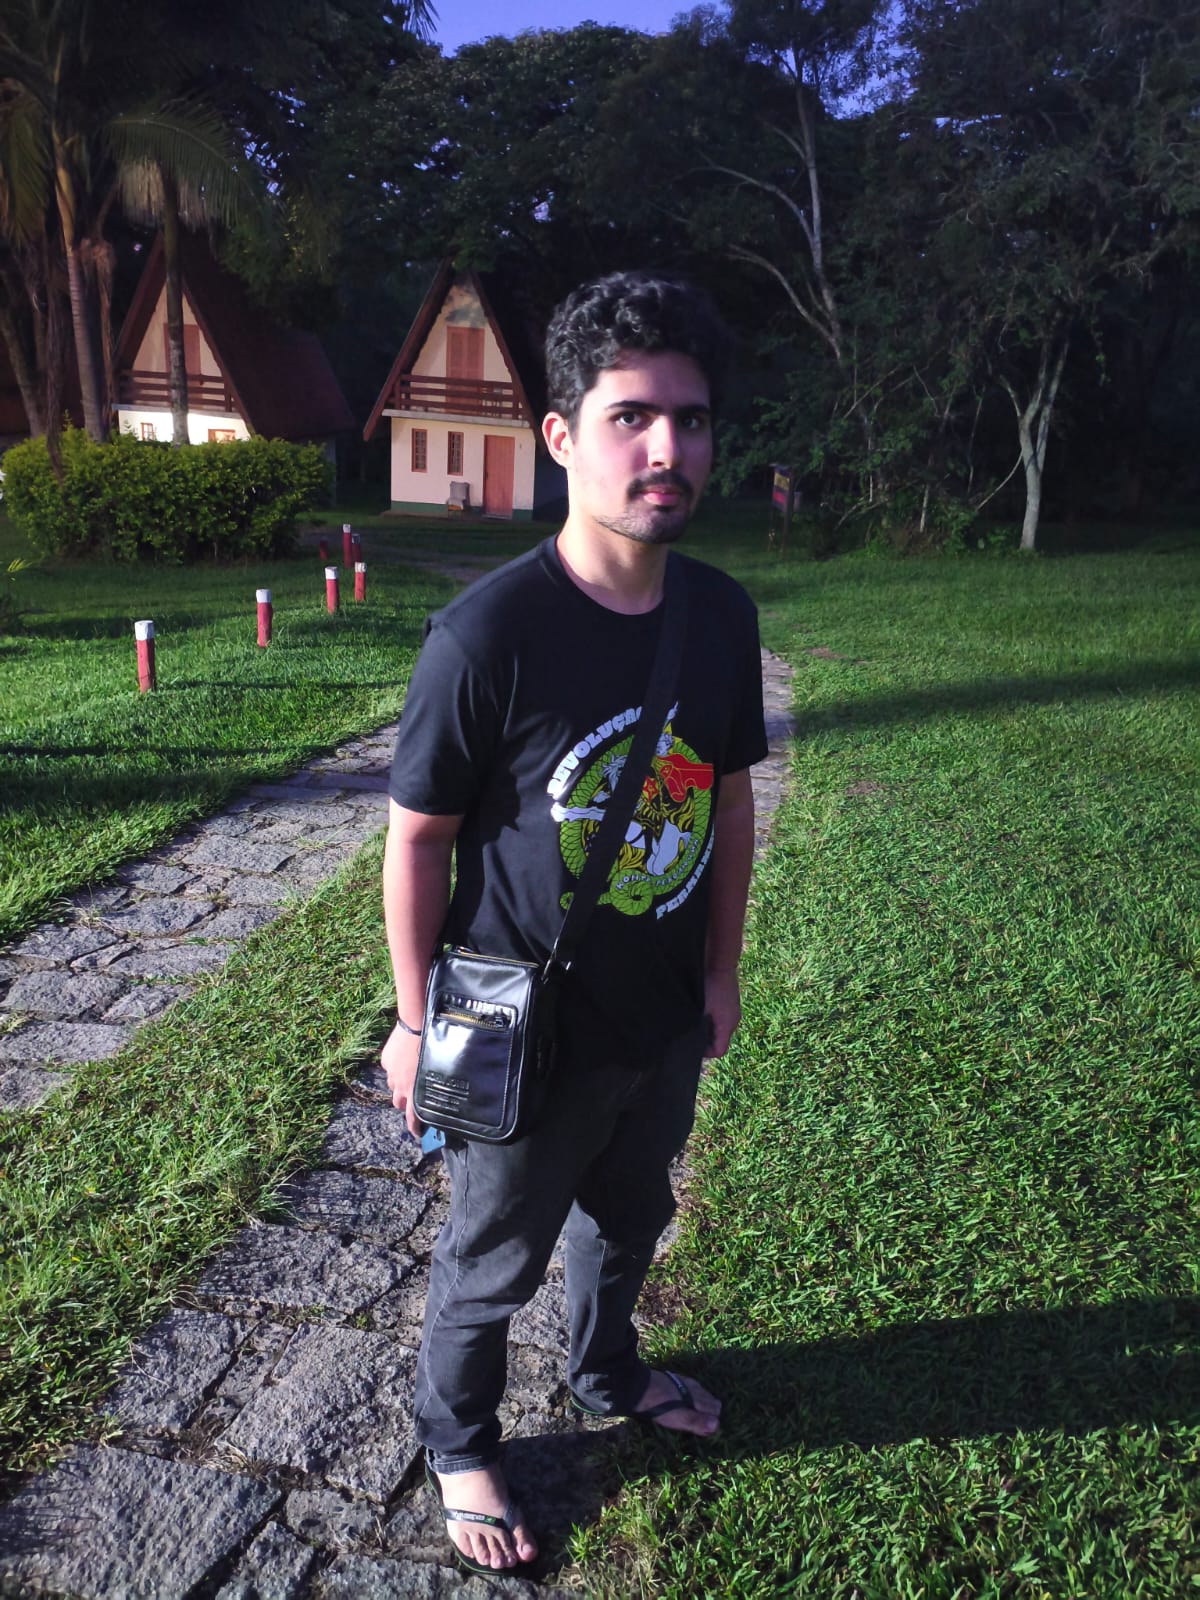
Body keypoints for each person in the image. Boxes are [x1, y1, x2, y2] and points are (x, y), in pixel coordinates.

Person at [381, 270, 767, 1576]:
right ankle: (458, 1442)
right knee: (491, 1258)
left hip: (660, 1016)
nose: (669, 449)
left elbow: (725, 801)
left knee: (630, 1217)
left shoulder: (718, 615)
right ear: (559, 435)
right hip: (521, 1032)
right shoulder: (488, 633)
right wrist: (413, 1020)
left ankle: (608, 1372)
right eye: (631, 417)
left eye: (692, 419)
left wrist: (721, 972)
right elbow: (418, 840)